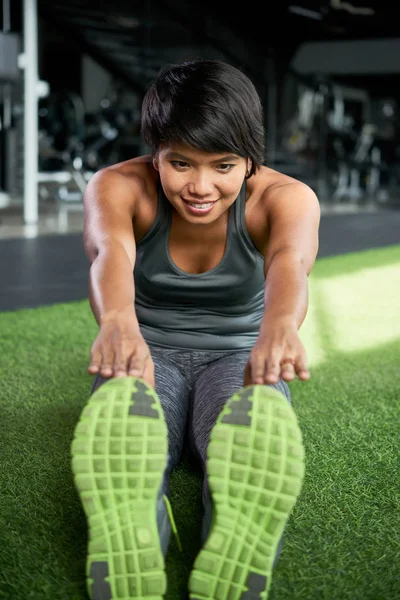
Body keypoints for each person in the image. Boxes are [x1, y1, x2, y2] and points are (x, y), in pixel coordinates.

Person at [71, 58, 320, 600]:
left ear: (252, 158)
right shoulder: (117, 186)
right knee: (135, 435)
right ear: (154, 152)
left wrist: (279, 326)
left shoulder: (287, 198)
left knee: (239, 441)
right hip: (144, 348)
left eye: (224, 165)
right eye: (180, 163)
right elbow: (108, 252)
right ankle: (138, 523)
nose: (201, 186)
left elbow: (289, 262)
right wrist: (118, 321)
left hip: (239, 354)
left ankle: (232, 530)